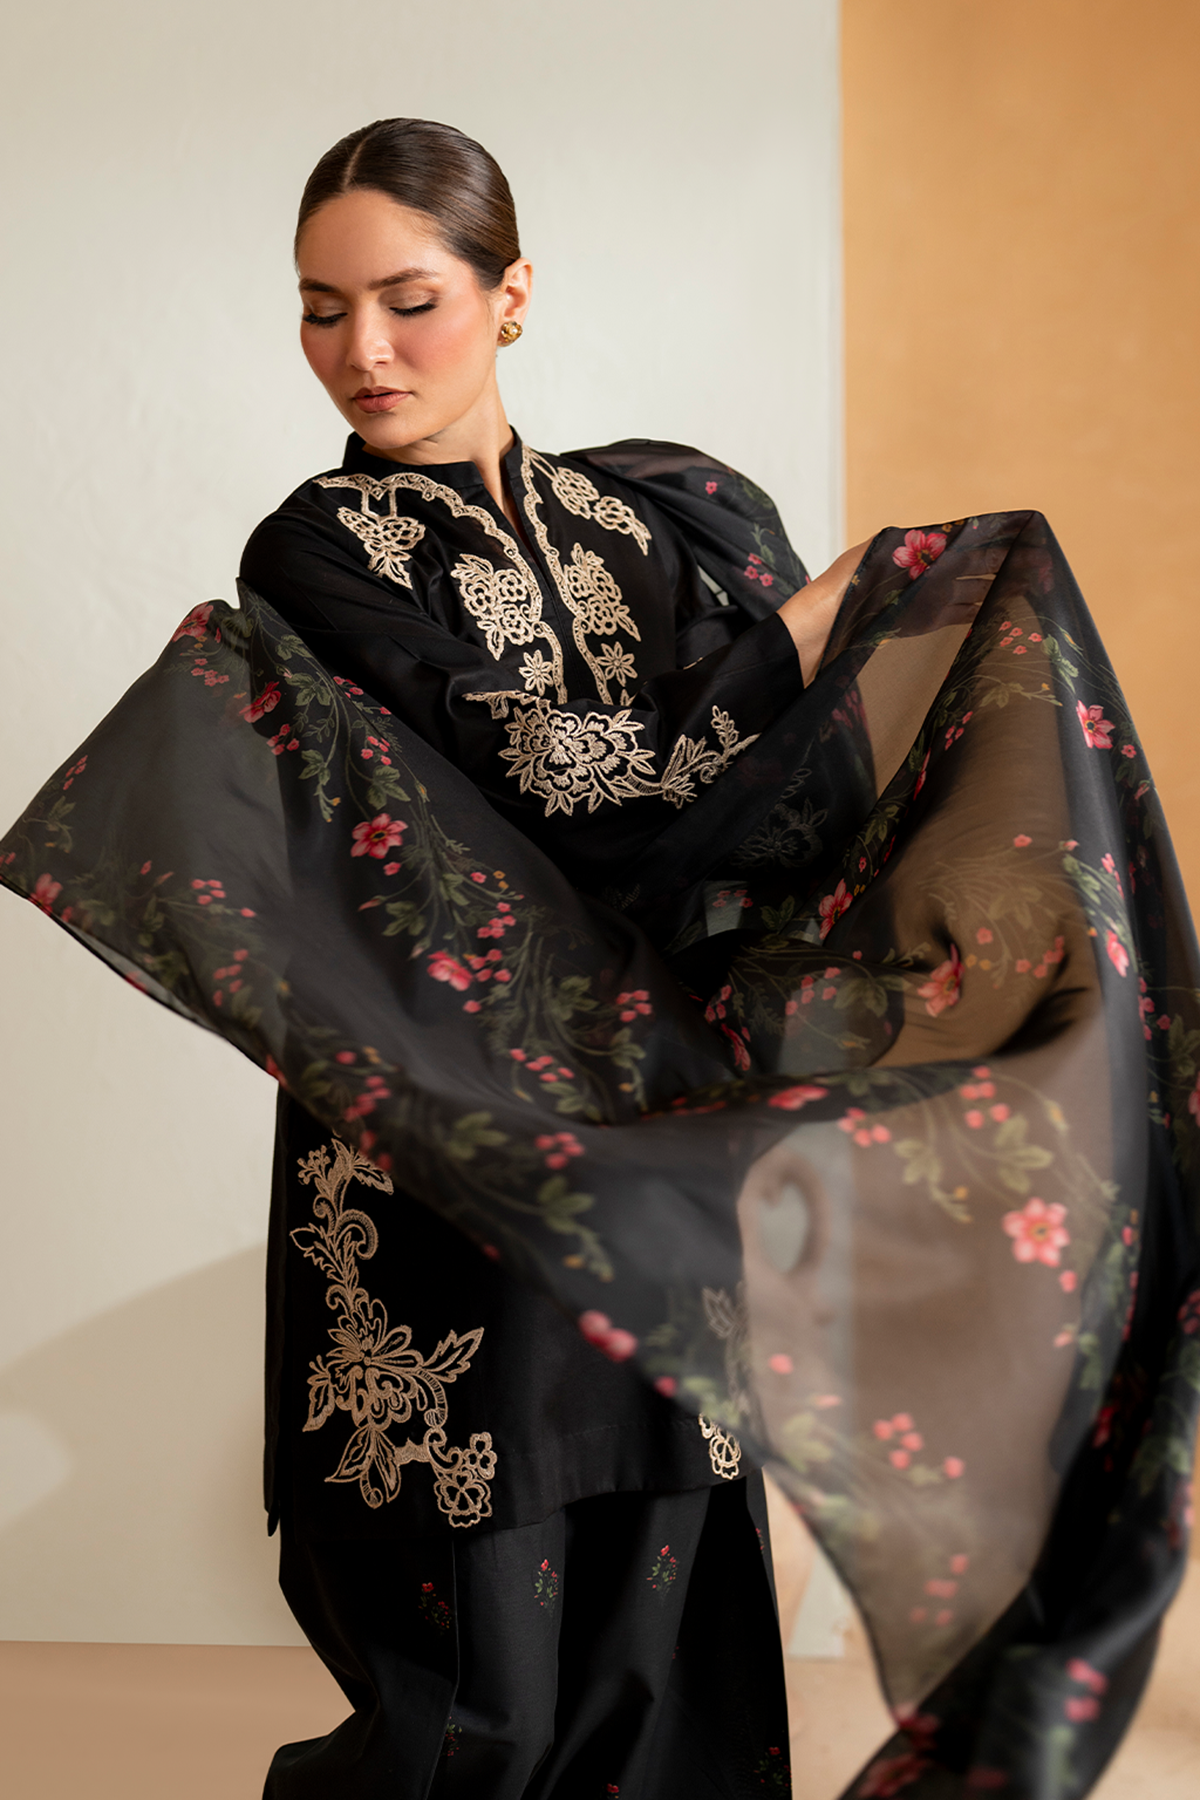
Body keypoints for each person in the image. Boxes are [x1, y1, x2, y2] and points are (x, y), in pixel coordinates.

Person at [4, 117, 1200, 1800]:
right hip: (438, 1109)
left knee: (661, 1511)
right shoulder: (321, 551)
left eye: (410, 300)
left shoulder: (665, 520)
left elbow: (785, 806)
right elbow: (560, 781)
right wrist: (793, 642)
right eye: (322, 309)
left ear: (512, 296)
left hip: (655, 1097)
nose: (362, 351)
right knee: (471, 1571)